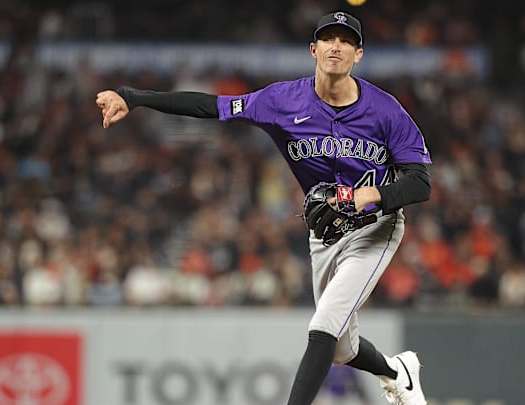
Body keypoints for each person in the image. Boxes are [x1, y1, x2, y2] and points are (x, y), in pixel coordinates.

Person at [96, 10, 431, 405]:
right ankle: (396, 372)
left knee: (323, 325)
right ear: (313, 49)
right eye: (328, 39)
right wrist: (133, 98)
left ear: (358, 55)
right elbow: (211, 106)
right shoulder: (281, 100)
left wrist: (369, 195)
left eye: (346, 41)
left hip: (376, 227)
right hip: (325, 232)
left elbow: (420, 182)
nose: (336, 46)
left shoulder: (386, 109)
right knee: (340, 348)